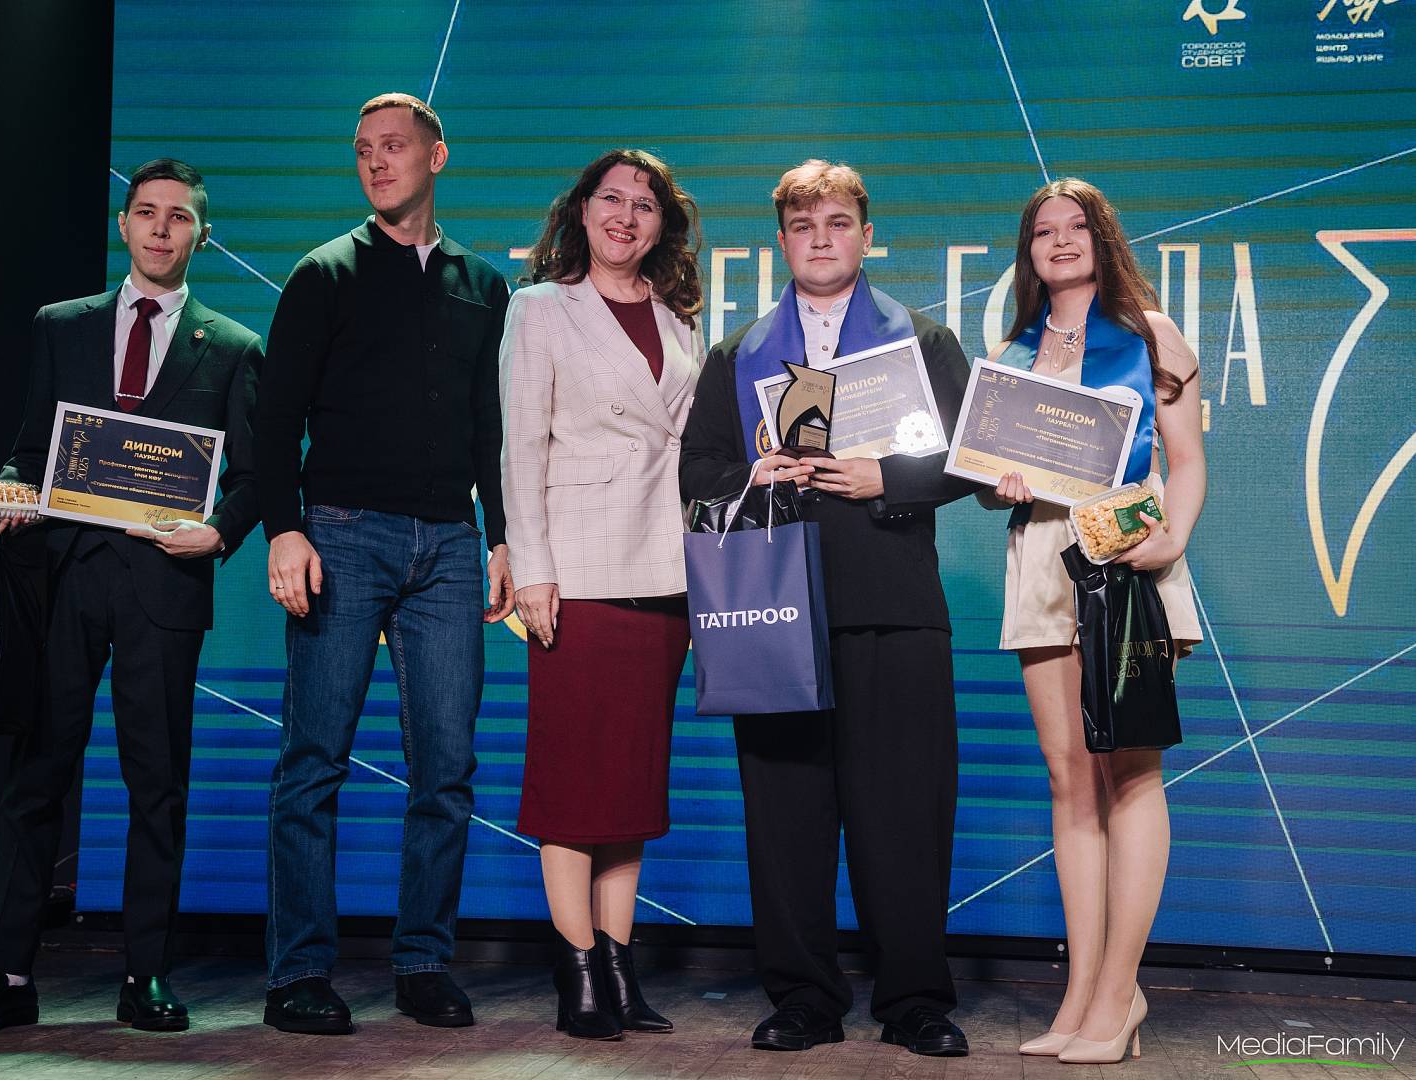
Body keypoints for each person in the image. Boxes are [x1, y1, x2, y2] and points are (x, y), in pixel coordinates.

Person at [0, 159, 263, 1036]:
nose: (161, 229)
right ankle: (7, 976)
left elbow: (258, 475)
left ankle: (146, 975)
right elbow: (30, 447)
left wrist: (220, 533)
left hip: (165, 583)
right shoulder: (60, 325)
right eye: (146, 212)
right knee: (36, 776)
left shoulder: (234, 346)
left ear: (202, 235)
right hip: (63, 576)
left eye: (179, 217)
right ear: (124, 224)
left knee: (157, 784)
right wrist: (7, 491)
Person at [679, 161, 977, 1056]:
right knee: (785, 818)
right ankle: (804, 996)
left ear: (866, 236)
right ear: (781, 242)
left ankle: (915, 998)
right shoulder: (736, 354)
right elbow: (697, 470)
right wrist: (754, 473)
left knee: (906, 812)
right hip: (775, 612)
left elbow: (971, 455)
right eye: (804, 226)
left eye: (838, 223)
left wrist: (888, 477)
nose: (821, 239)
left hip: (894, 603)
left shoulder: (922, 341)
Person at [253, 92, 515, 1036]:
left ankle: (423, 962)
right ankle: (298, 972)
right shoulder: (323, 272)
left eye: (394, 146)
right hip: (341, 534)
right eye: (363, 149)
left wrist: (502, 538)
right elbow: (275, 418)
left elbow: (491, 430)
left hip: (449, 544)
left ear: (436, 156)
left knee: (447, 767)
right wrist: (284, 530)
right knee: (313, 760)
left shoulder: (485, 286)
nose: (376, 161)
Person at [980, 177, 1203, 1065]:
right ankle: (1081, 995)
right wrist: (1000, 481)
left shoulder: (1151, 334)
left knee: (1132, 772)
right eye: (1044, 230)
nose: (1061, 240)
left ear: (1103, 238)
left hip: (1126, 554)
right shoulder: (1012, 351)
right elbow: (990, 470)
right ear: (1028, 251)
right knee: (1070, 777)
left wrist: (1172, 537)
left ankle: (1119, 993)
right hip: (1042, 560)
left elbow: (1186, 460)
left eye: (1077, 226)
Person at [500, 149, 704, 1040]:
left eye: (644, 205)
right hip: (577, 571)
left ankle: (619, 968)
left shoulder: (680, 321)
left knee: (630, 781)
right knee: (573, 779)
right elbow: (520, 446)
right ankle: (576, 970)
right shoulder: (541, 308)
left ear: (663, 227)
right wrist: (533, 569)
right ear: (581, 212)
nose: (626, 216)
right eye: (611, 199)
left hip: (667, 569)